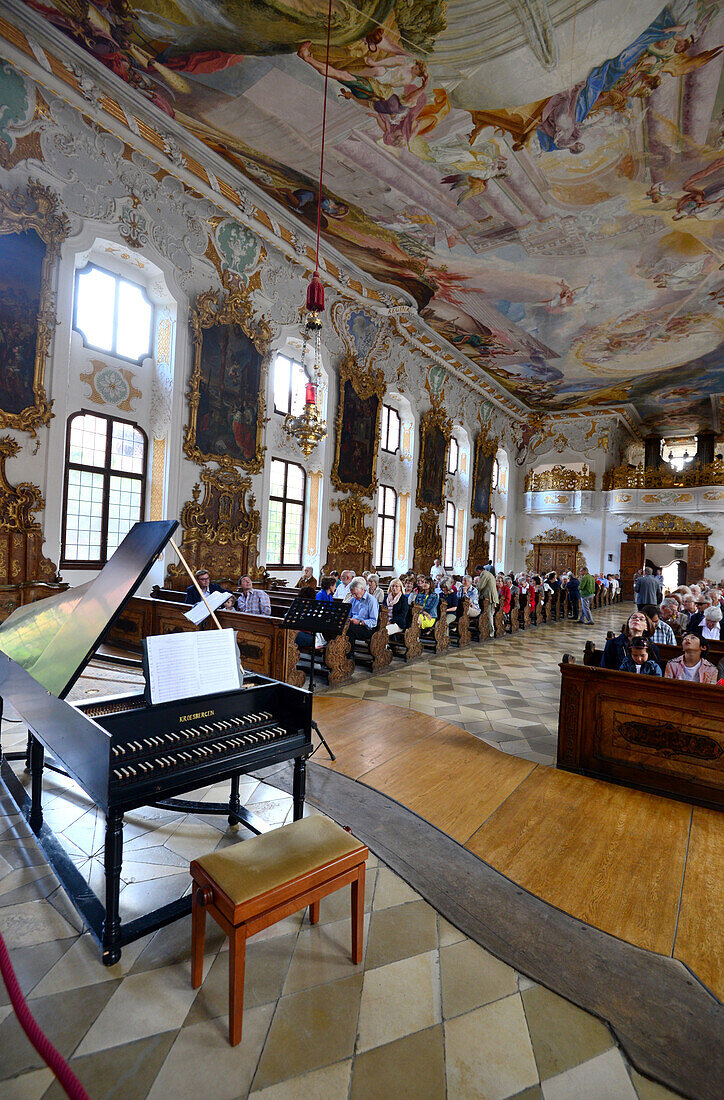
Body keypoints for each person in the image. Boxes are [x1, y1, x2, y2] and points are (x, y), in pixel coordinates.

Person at [346, 576, 379, 644]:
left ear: (362, 589)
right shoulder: (353, 600)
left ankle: (349, 653)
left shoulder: (371, 600)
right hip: (354, 624)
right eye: (352, 594)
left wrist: (359, 622)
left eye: (355, 594)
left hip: (367, 628)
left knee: (350, 630)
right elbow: (349, 615)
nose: (354, 596)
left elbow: (373, 622)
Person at [476, 565, 498, 637]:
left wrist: (474, 586)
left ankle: (491, 631)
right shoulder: (488, 573)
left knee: (489, 614)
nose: (478, 574)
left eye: (477, 572)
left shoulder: (484, 574)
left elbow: (480, 586)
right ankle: (487, 630)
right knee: (488, 614)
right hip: (488, 597)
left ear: (479, 570)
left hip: (489, 597)